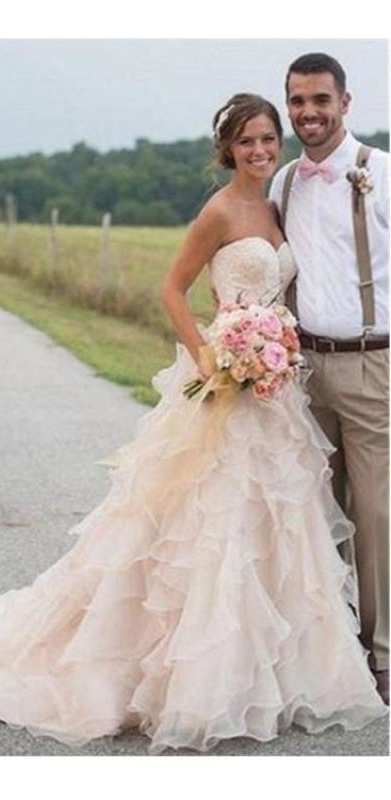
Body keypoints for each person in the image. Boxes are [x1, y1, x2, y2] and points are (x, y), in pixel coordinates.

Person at [0, 93, 387, 755]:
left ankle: (285, 672)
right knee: (211, 525)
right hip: (227, 382)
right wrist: (213, 355)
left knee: (278, 522)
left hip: (274, 390)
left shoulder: (279, 201)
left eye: (266, 138)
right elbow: (172, 288)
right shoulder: (219, 210)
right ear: (227, 149)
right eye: (246, 141)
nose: (259, 150)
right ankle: (199, 677)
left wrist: (271, 347)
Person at [270, 53, 389, 705]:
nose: (308, 112)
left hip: (372, 364)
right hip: (302, 371)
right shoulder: (284, 182)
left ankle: (383, 657)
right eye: (297, 101)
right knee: (315, 513)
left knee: (375, 515)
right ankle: (331, 651)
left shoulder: (381, 172)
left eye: (320, 99)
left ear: (345, 102)